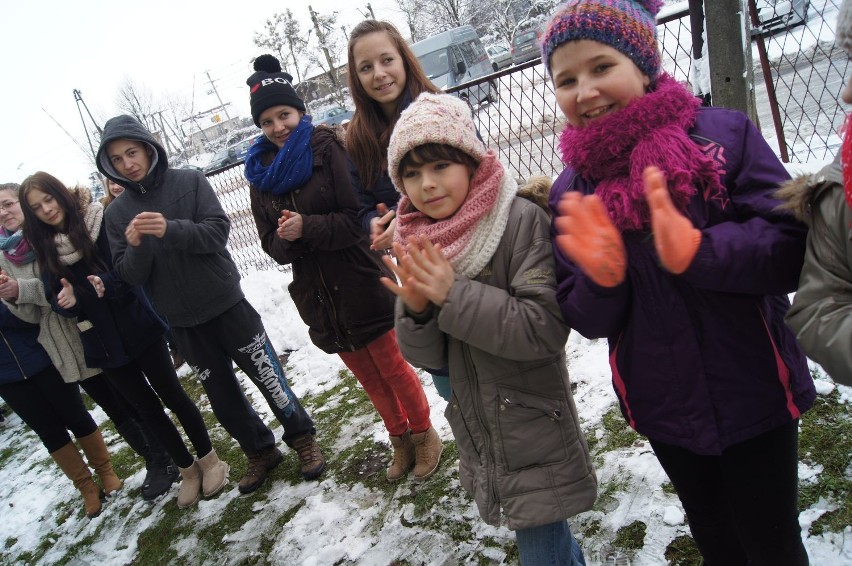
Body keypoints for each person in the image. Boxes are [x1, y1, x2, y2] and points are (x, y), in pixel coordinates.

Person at [541, 1, 814, 564]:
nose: (584, 91)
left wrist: (701, 251)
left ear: (643, 64)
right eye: (565, 79)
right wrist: (603, 278)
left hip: (754, 384)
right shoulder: (572, 192)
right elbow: (586, 318)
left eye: (600, 67)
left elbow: (791, 248)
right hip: (664, 402)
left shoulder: (723, 138)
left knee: (772, 541)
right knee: (715, 534)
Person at [383, 92, 597, 565]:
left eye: (440, 165)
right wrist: (417, 311)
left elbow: (541, 328)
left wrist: (451, 295)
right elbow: (432, 358)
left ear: (470, 161)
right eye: (412, 174)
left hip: (533, 420)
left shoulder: (518, 221)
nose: (427, 184)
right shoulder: (419, 240)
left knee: (542, 545)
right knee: (548, 541)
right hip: (480, 423)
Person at [95, 113, 325, 493]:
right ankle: (259, 450)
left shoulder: (189, 181)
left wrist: (171, 229)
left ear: (148, 148)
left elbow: (217, 233)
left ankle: (302, 437)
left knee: (268, 374)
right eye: (117, 160)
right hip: (182, 321)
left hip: (226, 302)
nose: (127, 164)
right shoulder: (117, 215)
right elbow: (128, 274)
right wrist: (137, 247)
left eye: (131, 152)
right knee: (222, 397)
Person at [243, 54, 442, 483]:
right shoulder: (259, 176)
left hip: (359, 278)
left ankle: (426, 435)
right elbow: (270, 245)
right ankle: (400, 439)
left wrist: (306, 226)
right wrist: (288, 237)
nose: (278, 127)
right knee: (369, 378)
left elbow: (355, 215)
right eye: (268, 121)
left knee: (393, 368)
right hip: (319, 296)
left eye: (285, 115)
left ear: (299, 112)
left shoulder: (327, 147)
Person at [19, 172, 228, 509]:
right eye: (37, 207)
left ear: (60, 194)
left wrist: (90, 288)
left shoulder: (96, 221)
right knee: (146, 409)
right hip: (100, 342)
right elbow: (52, 292)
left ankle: (209, 460)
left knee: (172, 394)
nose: (46, 209)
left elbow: (124, 271)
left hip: (135, 325)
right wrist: (65, 299)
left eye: (49, 199)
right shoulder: (42, 245)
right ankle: (187, 471)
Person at [0, 181, 180, 502]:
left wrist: (23, 290)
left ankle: (167, 454)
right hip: (63, 344)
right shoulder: (6, 256)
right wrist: (13, 297)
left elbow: (75, 281)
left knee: (133, 398)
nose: (4, 213)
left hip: (92, 328)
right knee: (114, 407)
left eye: (8, 204)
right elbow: (31, 314)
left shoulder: (52, 236)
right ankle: (154, 459)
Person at [345, 19, 451, 400]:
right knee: (445, 369)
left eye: (386, 59)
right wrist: (376, 223)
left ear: (404, 59)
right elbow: (360, 206)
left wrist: (403, 221)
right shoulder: (356, 137)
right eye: (366, 67)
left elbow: (475, 186)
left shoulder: (441, 111)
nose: (379, 74)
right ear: (356, 78)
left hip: (466, 252)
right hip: (414, 266)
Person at [776, 0, 852, 387]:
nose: (847, 93)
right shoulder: (843, 183)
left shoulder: (725, 134)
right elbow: (818, 306)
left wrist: (699, 250)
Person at [0, 299, 119, 518]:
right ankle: (86, 487)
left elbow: (31, 317)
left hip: (42, 358)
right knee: (49, 432)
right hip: (7, 378)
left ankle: (105, 470)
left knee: (76, 416)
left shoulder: (5, 275)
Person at [99, 177, 185, 370]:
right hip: (135, 267)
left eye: (118, 182)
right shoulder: (108, 212)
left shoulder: (138, 201)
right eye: (111, 184)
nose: (116, 186)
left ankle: (183, 341)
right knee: (155, 308)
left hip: (159, 262)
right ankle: (174, 344)